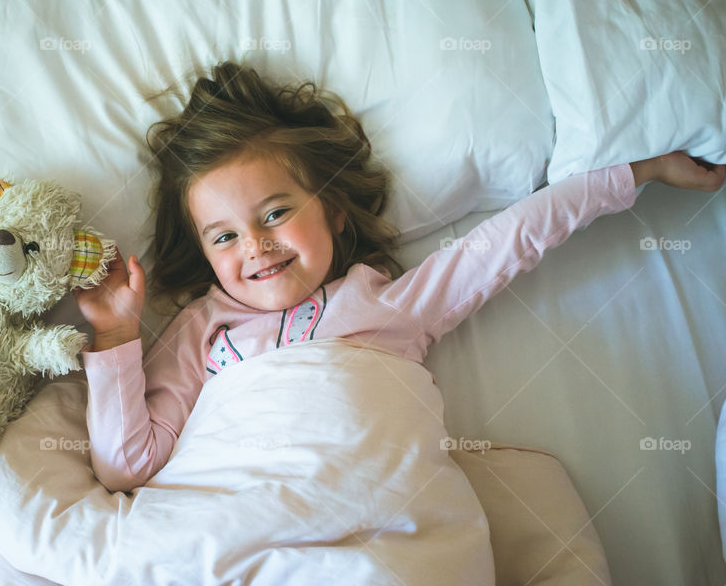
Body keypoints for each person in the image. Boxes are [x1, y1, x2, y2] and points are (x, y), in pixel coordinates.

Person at [75, 61, 726, 493]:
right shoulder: (200, 332)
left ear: (330, 209)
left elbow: (509, 240)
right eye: (225, 236)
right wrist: (115, 337)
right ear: (205, 252)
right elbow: (125, 467)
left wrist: (640, 171)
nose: (257, 246)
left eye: (276, 213)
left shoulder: (390, 304)